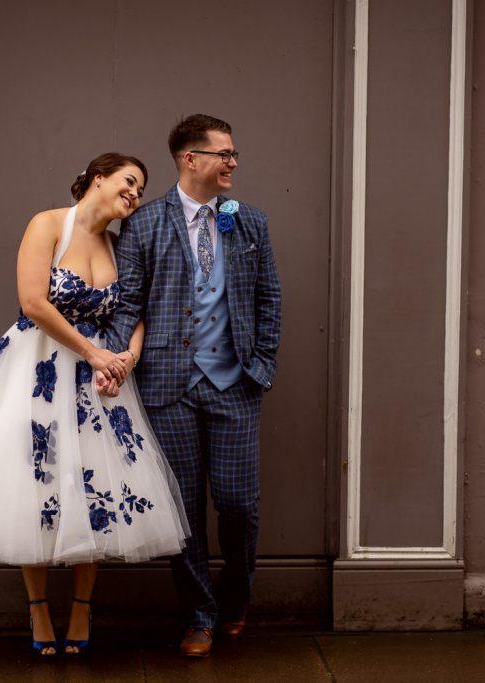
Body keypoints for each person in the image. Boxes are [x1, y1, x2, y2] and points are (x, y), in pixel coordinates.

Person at [0, 153, 189, 658]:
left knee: (94, 484)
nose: (136, 194)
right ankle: (38, 609)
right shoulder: (47, 224)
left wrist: (125, 357)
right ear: (98, 177)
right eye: (129, 181)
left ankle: (81, 607)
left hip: (97, 381)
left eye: (142, 190)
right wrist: (94, 352)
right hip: (34, 373)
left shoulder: (120, 245)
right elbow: (34, 301)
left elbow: (136, 310)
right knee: (33, 485)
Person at [105, 114, 282, 658]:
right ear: (191, 159)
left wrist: (261, 366)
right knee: (181, 511)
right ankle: (199, 617)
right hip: (168, 385)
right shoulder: (146, 223)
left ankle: (235, 599)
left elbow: (270, 299)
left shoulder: (249, 222)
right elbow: (130, 300)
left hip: (234, 384)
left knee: (238, 506)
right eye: (223, 153)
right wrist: (109, 361)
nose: (233, 162)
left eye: (233, 154)